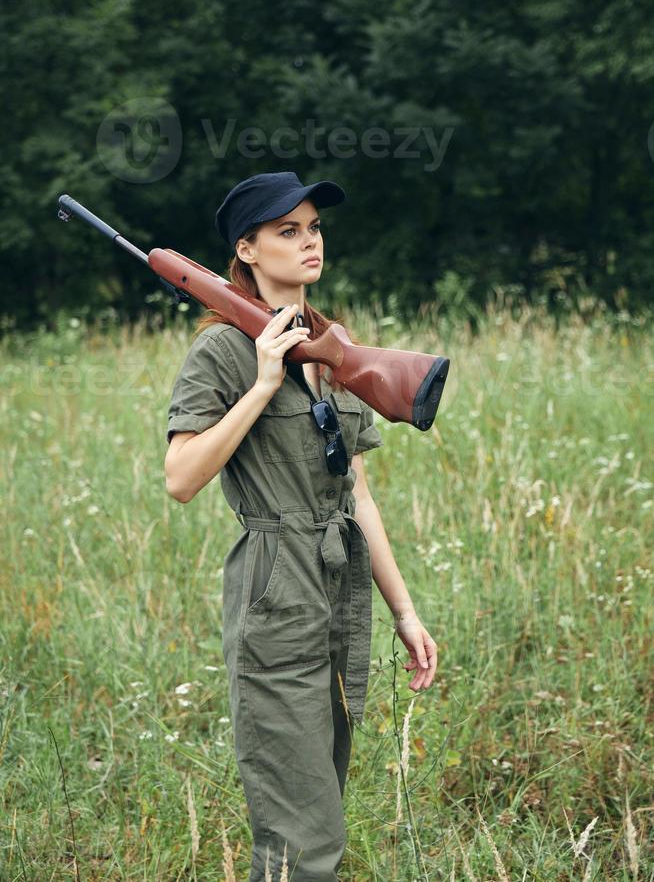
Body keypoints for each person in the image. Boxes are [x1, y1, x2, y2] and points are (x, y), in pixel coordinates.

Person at [164, 171, 437, 881]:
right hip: (275, 592)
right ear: (247, 250)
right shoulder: (222, 352)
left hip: (338, 590)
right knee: (303, 839)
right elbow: (182, 478)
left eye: (314, 227)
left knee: (324, 812)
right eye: (288, 231)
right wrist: (260, 384)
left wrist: (403, 611)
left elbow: (360, 497)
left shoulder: (335, 349)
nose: (309, 241)